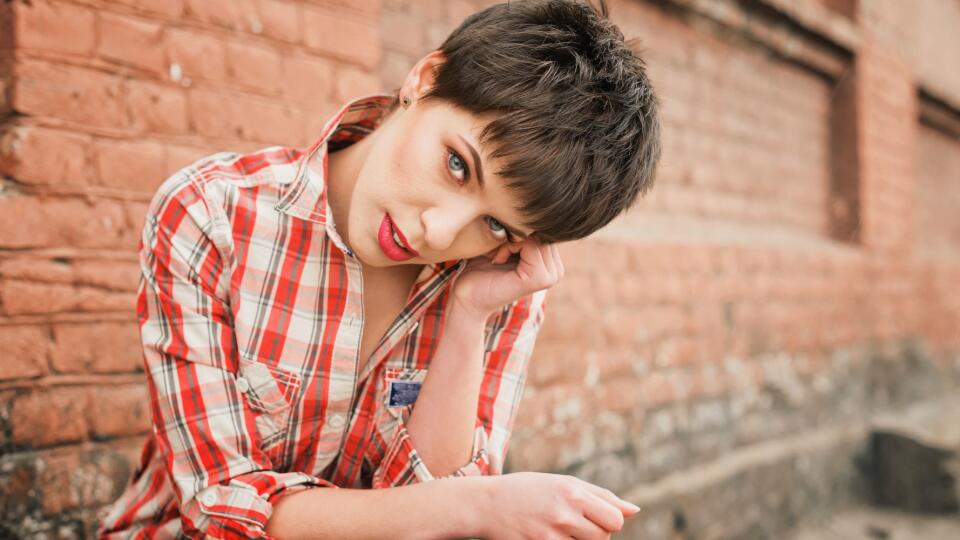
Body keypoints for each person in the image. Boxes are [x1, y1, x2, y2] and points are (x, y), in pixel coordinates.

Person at [98, 0, 661, 537]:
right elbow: (222, 508)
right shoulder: (212, 217)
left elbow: (436, 517)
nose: (439, 233)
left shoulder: (499, 284)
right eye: (457, 165)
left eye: (495, 225)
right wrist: (479, 503)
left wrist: (466, 317)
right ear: (424, 79)